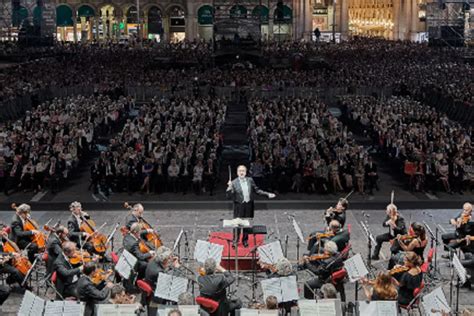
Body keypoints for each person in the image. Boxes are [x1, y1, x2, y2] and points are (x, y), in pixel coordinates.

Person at [226, 165, 276, 247]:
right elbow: (228, 196)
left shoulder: (250, 180)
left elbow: (257, 190)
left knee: (246, 224)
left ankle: (245, 240)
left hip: (248, 205)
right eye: (240, 171)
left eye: (243, 171)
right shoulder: (234, 183)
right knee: (237, 224)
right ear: (237, 173)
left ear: (246, 172)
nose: (241, 172)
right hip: (239, 206)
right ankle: (235, 241)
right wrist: (229, 188)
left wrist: (267, 194)